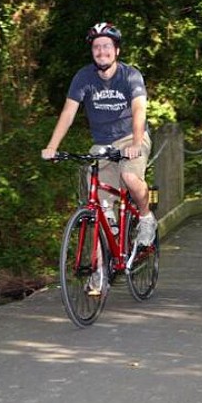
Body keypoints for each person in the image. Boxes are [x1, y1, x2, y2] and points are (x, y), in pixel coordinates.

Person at [41, 22, 157, 247]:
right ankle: (102, 263)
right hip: (103, 143)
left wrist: (135, 143)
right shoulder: (84, 77)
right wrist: (52, 146)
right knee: (95, 193)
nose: (101, 51)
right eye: (96, 47)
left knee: (131, 177)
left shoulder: (130, 75)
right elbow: (68, 112)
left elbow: (139, 110)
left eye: (106, 46)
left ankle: (145, 217)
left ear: (116, 51)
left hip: (131, 135)